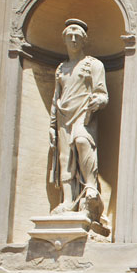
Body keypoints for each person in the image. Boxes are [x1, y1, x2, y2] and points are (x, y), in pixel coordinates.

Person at [48, 18, 108, 228]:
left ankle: (90, 191)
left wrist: (97, 101)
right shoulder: (61, 68)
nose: (73, 39)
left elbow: (102, 93)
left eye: (77, 37)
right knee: (65, 157)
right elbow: (56, 98)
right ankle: (67, 200)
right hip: (64, 116)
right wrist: (52, 124)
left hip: (84, 113)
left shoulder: (93, 64)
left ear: (84, 41)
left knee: (83, 142)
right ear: (64, 39)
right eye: (69, 36)